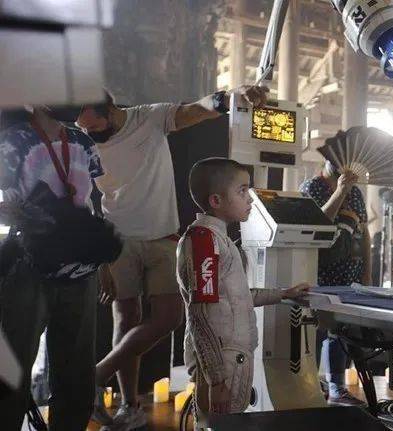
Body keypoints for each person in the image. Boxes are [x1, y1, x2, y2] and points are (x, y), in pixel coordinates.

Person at [76, 85, 267, 429]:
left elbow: (196, 109)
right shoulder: (85, 142)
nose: (90, 133)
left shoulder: (148, 118)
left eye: (94, 126)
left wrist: (230, 97)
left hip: (162, 235)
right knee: (125, 320)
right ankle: (130, 407)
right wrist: (100, 258)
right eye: (84, 128)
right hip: (116, 239)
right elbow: (85, 198)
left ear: (111, 110)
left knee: (169, 317)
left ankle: (96, 376)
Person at [177, 158, 311, 422]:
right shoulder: (204, 241)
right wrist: (216, 379)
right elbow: (200, 315)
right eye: (241, 191)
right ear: (216, 200)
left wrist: (284, 294)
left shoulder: (219, 240)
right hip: (222, 364)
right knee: (216, 425)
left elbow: (236, 297)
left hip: (234, 361)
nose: (250, 198)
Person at [0, 106, 107, 429]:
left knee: (76, 373)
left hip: (81, 269)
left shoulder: (82, 142)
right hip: (28, 269)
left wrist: (103, 262)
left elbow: (92, 202)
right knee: (13, 369)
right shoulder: (12, 142)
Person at [300, 148, 371, 406]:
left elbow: (365, 233)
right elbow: (315, 224)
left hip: (349, 272)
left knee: (339, 330)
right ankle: (308, 386)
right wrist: (340, 191)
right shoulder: (312, 187)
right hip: (320, 271)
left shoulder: (357, 193)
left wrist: (367, 272)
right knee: (317, 328)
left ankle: (336, 388)